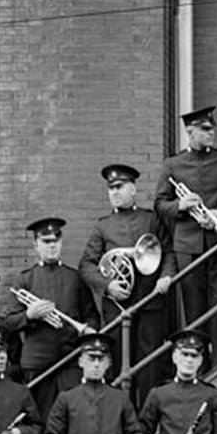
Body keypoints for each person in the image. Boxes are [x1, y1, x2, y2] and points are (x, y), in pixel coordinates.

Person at [77, 163, 176, 401]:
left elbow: (169, 252)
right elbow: (86, 265)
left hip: (150, 302)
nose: (115, 192)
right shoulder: (102, 226)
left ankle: (146, 419)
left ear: (133, 189)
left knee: (150, 362)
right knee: (119, 360)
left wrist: (166, 276)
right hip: (117, 307)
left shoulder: (150, 219)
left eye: (120, 187)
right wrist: (107, 285)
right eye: (111, 189)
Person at [155, 106, 217, 356]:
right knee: (193, 307)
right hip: (187, 246)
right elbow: (159, 204)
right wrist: (180, 205)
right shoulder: (173, 164)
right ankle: (195, 358)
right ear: (190, 132)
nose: (211, 133)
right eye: (205, 130)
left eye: (212, 129)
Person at [1, 216, 97, 418]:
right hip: (38, 363)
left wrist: (89, 330)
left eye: (56, 241)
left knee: (72, 417)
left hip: (70, 361)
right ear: (36, 245)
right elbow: (9, 323)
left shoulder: (75, 277)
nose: (52, 246)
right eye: (46, 242)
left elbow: (91, 315)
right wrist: (29, 315)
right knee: (39, 419)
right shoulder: (25, 279)